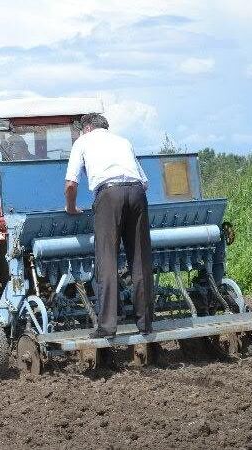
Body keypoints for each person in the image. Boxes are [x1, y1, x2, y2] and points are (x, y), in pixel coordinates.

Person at [63, 113, 153, 338]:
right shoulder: (123, 141)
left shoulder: (83, 141)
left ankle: (107, 327)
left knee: (107, 260)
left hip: (109, 194)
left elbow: (71, 184)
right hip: (137, 193)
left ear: (87, 128)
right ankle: (146, 324)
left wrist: (71, 208)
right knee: (140, 260)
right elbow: (145, 181)